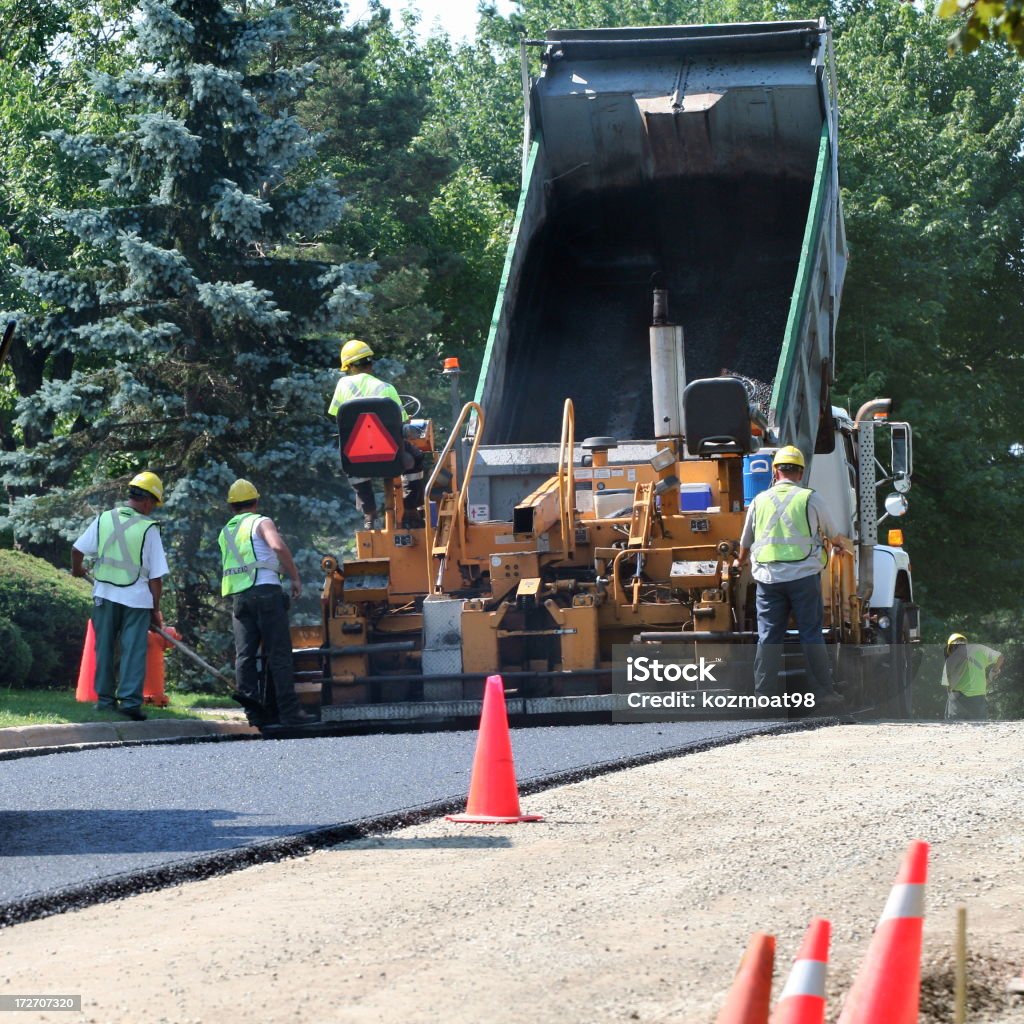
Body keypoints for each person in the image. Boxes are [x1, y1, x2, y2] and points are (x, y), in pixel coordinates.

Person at [737, 445, 844, 709]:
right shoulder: (811, 498)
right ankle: (823, 692)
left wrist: (739, 562)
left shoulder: (759, 500)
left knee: (769, 637)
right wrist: (840, 545)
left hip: (768, 579)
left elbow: (745, 542)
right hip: (804, 577)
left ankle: (764, 695)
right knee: (811, 634)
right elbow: (833, 533)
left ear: (775, 470)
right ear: (800, 472)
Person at [71, 471, 169, 721]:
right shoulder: (149, 529)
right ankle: (129, 702)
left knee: (103, 648)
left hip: (104, 594)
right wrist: (155, 610)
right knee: (133, 650)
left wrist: (77, 570)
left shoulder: (105, 519)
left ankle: (105, 701)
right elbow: (156, 578)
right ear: (148, 501)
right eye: (154, 504)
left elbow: (77, 549)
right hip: (136, 599)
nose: (152, 509)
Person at [218, 479, 316, 727]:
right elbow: (277, 546)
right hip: (267, 594)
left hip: (241, 599)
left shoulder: (226, 532)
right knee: (279, 654)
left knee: (245, 657)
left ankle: (255, 714)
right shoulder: (261, 522)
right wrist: (294, 576)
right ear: (256, 502)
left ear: (231, 507)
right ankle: (289, 713)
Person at [327, 338, 425, 530]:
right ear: (370, 363)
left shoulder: (342, 385)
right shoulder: (387, 388)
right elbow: (402, 423)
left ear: (348, 366)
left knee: (350, 460)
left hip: (356, 456)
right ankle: (411, 510)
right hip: (392, 456)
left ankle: (369, 513)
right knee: (417, 458)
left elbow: (336, 417)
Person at [942, 633, 1003, 721]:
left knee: (954, 730)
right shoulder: (979, 651)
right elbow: (1000, 657)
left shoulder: (949, 662)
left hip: (958, 703)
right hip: (978, 702)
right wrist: (993, 672)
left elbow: (948, 687)